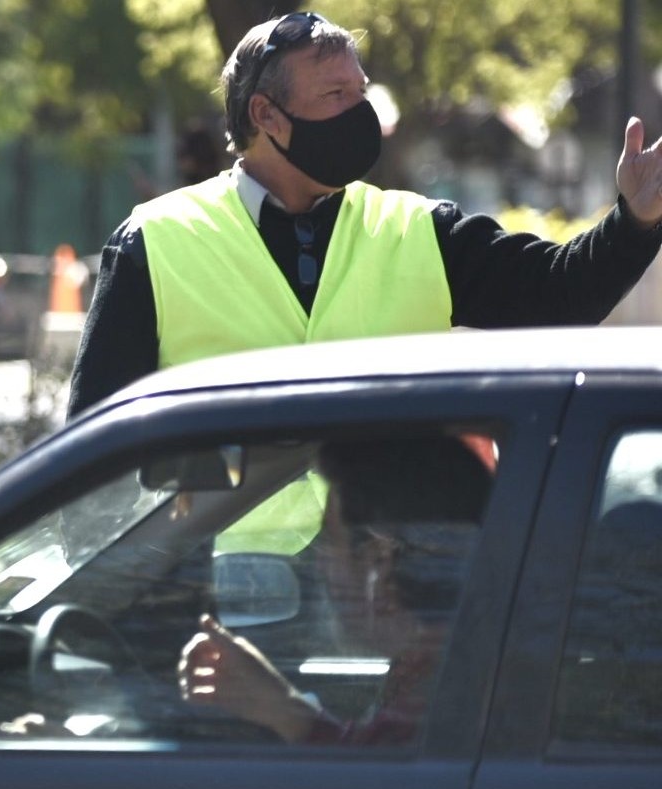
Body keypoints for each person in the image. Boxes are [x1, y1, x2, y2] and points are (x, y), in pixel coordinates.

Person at [67, 11, 662, 419]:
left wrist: (633, 220)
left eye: (362, 93)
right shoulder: (155, 242)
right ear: (267, 116)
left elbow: (561, 294)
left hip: (391, 591)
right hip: (212, 596)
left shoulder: (420, 231)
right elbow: (92, 450)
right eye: (336, 97)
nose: (362, 115)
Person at [176, 435, 496, 745]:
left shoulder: (443, 694)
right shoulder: (463, 659)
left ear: (378, 563)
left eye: (329, 544)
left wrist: (286, 711)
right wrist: (283, 707)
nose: (320, 565)